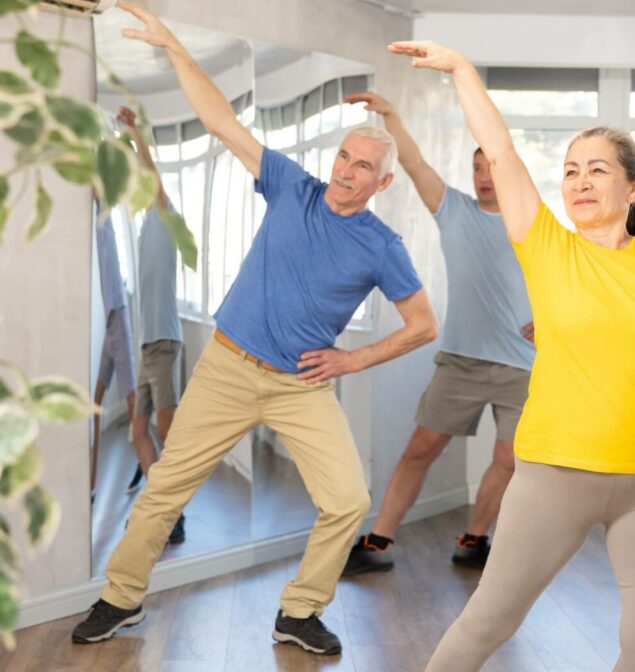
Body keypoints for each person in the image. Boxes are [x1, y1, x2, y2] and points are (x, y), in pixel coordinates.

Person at [71, 2, 437, 656]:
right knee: (165, 492)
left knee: (349, 500)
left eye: (361, 167)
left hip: (300, 386)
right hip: (228, 367)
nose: (346, 171)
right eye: (344, 157)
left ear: (382, 182)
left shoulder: (383, 246)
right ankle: (120, 598)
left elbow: (422, 325)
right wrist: (173, 46)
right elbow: (219, 120)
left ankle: (299, 612)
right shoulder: (292, 187)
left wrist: (353, 362)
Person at [390, 40, 635, 672]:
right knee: (487, 622)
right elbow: (503, 153)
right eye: (570, 169)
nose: (580, 180)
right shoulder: (547, 246)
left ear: (633, 185)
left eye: (597, 168)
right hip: (553, 476)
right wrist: (461, 71)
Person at [340, 91, 534, 576]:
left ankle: (475, 537)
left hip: (523, 365)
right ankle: (379, 539)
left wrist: (552, 320)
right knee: (421, 447)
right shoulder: (454, 210)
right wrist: (390, 114)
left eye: (491, 166)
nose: (484, 176)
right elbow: (412, 162)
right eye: (477, 168)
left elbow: (573, 276)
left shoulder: (534, 222)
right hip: (462, 360)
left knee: (509, 459)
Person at [117, 106, 187, 543]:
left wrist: (135, 133)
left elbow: (151, 173)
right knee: (138, 431)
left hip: (162, 342)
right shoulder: (144, 227)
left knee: (168, 431)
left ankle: (172, 515)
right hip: (147, 348)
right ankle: (161, 507)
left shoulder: (165, 218)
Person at [92, 205, 137, 499]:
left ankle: (150, 466)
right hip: (110, 321)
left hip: (117, 317)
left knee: (137, 414)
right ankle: (91, 483)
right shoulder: (93, 218)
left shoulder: (104, 213)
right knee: (93, 403)